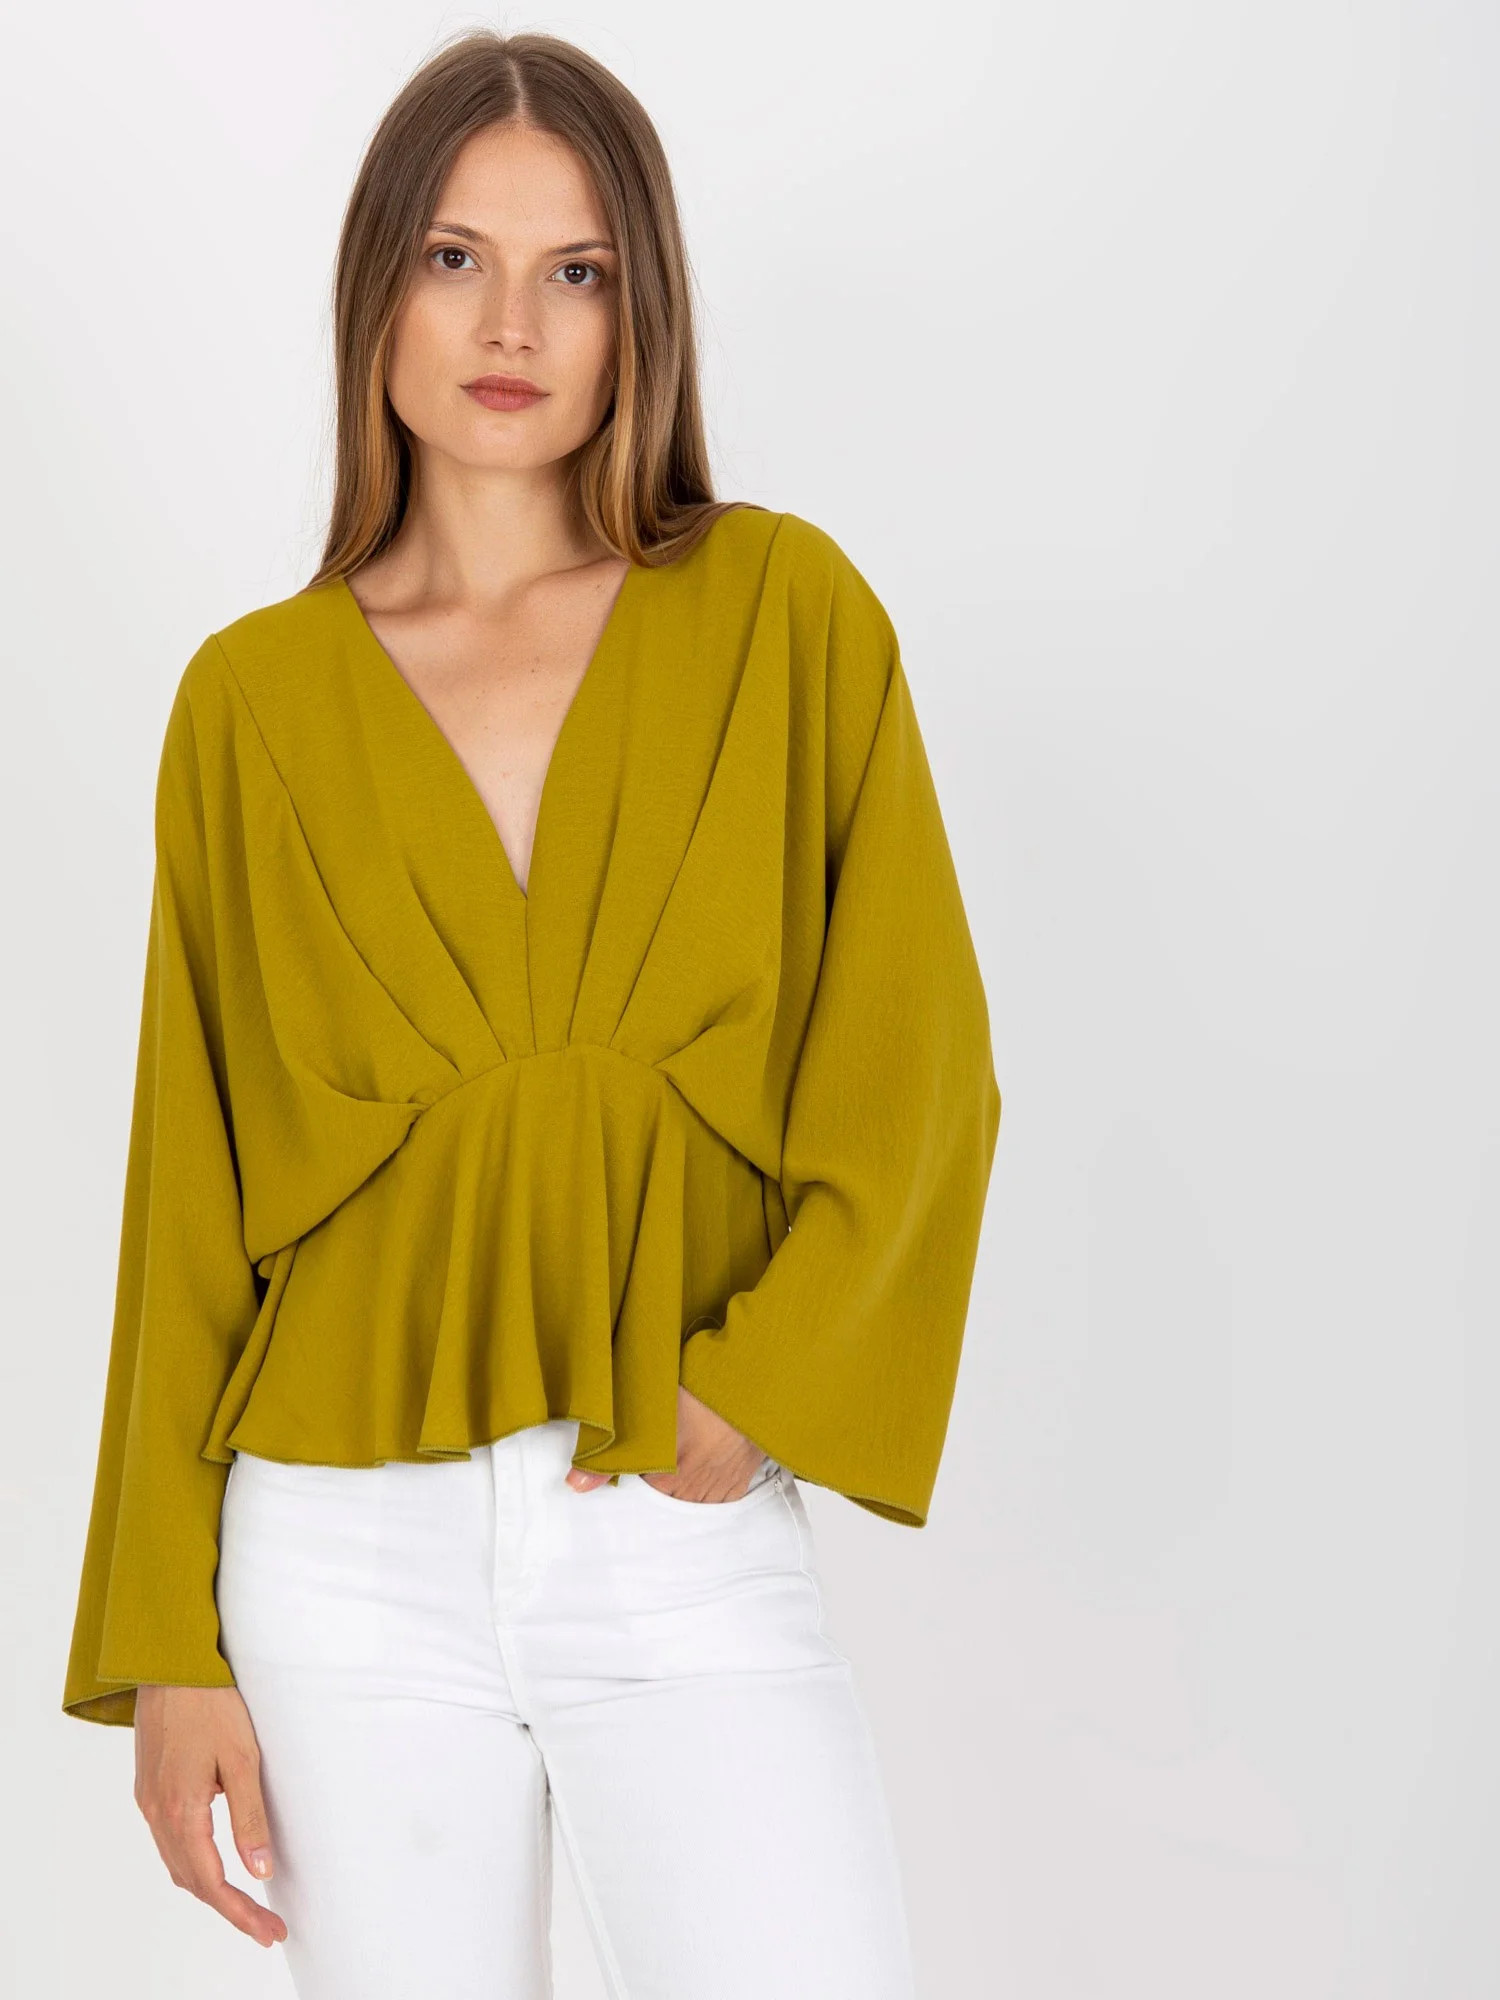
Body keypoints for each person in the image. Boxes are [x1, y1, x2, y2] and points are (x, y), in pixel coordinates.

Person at [62, 28, 1002, 2000]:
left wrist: (767, 1389)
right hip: (336, 1561)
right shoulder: (249, 704)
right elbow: (188, 1194)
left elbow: (918, 1062)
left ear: (639, 309)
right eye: (455, 258)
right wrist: (168, 1641)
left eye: (576, 270)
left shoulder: (784, 613)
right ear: (377, 291)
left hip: (672, 1515)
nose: (513, 324)